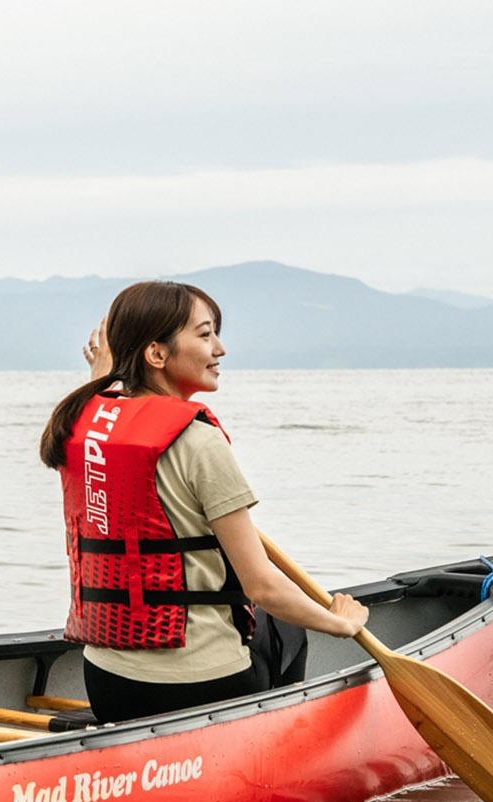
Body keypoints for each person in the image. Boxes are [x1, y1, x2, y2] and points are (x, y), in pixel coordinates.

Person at [39, 280, 368, 724]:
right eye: (205, 333)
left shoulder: (82, 427)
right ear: (157, 354)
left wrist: (104, 375)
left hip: (107, 685)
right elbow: (262, 587)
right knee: (285, 622)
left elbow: (105, 408)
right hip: (199, 690)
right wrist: (341, 623)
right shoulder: (200, 441)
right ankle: (276, 738)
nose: (221, 349)